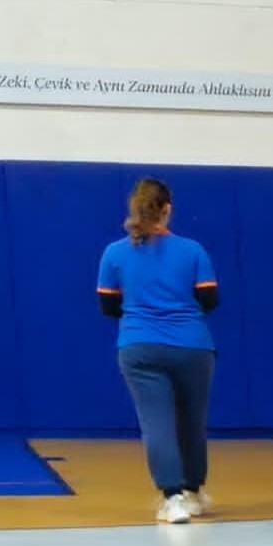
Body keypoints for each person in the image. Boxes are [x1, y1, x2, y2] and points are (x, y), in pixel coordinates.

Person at [96, 177, 218, 525]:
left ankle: (173, 498)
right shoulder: (193, 250)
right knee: (192, 422)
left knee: (157, 424)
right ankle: (194, 493)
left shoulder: (115, 253)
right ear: (167, 210)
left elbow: (107, 306)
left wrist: (143, 317)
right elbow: (209, 299)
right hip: (193, 346)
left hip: (139, 346)